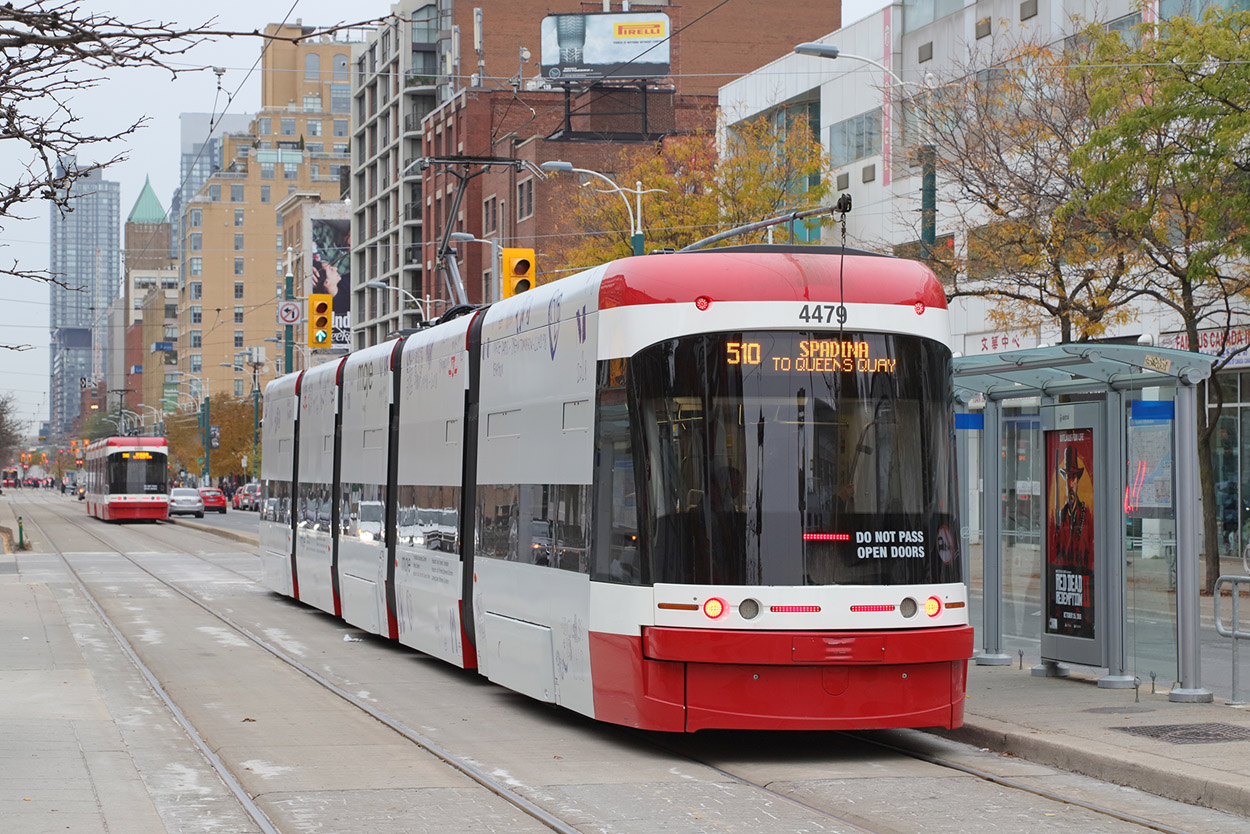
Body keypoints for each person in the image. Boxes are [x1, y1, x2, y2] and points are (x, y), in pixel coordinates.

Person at [1054, 445, 1093, 569]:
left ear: (1077, 481)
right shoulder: (1061, 515)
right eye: (1067, 478)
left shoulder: (1085, 513)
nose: (1070, 484)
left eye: (1073, 478)